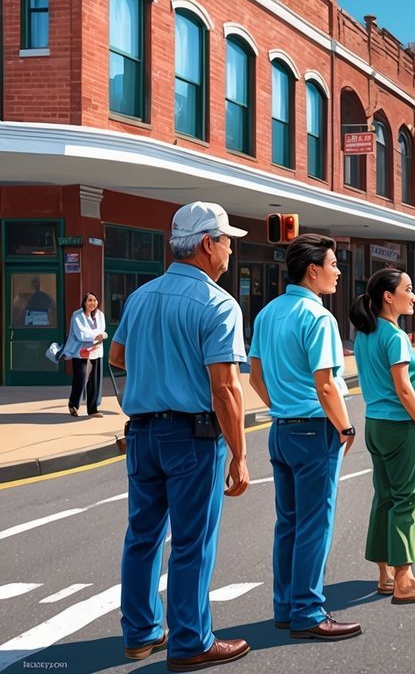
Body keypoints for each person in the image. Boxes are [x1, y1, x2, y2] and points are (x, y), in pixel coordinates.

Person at [108, 201, 250, 670]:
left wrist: (161, 369)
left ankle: (141, 633)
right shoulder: (217, 303)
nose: (230, 250)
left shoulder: (141, 296)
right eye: (228, 240)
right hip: (190, 436)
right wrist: (239, 453)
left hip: (143, 432)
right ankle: (191, 640)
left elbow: (119, 357)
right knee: (192, 541)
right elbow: (226, 387)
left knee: (143, 535)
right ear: (208, 244)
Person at [249, 234, 362, 641]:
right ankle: (309, 613)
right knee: (315, 525)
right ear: (313, 270)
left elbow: (255, 377)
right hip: (315, 430)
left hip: (280, 430)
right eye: (333, 265)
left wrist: (281, 404)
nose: (337, 272)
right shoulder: (319, 318)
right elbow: (326, 384)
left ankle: (286, 607)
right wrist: (346, 427)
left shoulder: (267, 313)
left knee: (289, 524)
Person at [352, 268, 415, 604]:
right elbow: (403, 388)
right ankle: (405, 580)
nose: (413, 295)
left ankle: (385, 575)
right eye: (407, 289)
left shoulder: (365, 334)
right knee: (405, 501)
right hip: (398, 425)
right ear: (388, 297)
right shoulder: (394, 337)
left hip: (374, 424)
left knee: (383, 498)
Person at [62, 292, 107, 418]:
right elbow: (80, 334)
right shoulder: (77, 316)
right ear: (84, 303)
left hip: (96, 351)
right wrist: (95, 334)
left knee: (94, 381)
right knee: (81, 378)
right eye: (90, 300)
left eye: (95, 300)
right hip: (81, 352)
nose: (93, 303)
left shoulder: (100, 315)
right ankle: (73, 404)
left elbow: (102, 330)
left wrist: (99, 334)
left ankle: (93, 409)